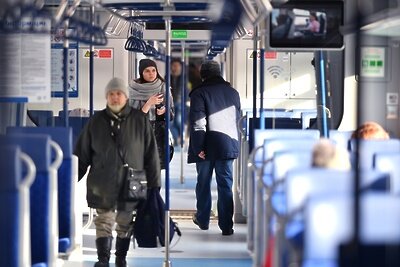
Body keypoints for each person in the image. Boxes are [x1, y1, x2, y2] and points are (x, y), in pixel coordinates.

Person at [74, 77, 161, 267]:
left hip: (131, 181)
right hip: (102, 181)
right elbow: (82, 154)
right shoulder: (95, 122)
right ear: (106, 97)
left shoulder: (140, 120)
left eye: (119, 94)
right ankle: (103, 260)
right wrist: (70, 179)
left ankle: (121, 258)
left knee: (125, 222)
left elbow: (151, 154)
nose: (115, 97)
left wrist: (154, 185)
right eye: (111, 94)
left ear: (126, 96)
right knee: (103, 221)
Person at [188, 60, 241, 236]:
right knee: (225, 184)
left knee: (203, 183)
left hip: (206, 146)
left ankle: (203, 220)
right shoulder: (233, 92)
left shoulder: (200, 93)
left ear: (203, 75)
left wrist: (198, 147)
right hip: (228, 144)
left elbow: (198, 123)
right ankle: (226, 226)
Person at [129, 58, 175, 169]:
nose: (151, 74)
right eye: (147, 71)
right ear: (141, 73)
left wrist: (163, 111)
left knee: (155, 172)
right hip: (139, 134)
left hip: (158, 134)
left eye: (153, 70)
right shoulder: (132, 90)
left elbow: (171, 115)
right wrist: (149, 103)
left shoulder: (163, 87)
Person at [170, 58, 184, 146]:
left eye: (177, 66)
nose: (175, 68)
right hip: (170, 103)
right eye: (174, 66)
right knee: (171, 123)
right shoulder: (168, 77)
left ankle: (180, 138)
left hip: (180, 103)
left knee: (178, 122)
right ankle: (176, 139)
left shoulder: (183, 78)